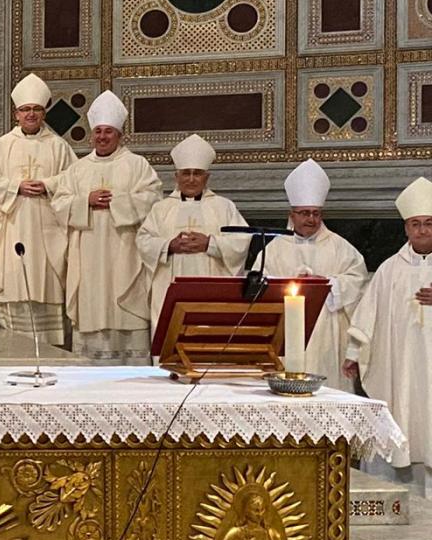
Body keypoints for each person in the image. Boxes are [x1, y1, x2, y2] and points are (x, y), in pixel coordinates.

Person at [51, 90, 163, 363]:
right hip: (88, 253)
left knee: (125, 305)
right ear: (92, 135)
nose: (102, 137)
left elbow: (153, 199)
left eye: (108, 132)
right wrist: (85, 201)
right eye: (98, 131)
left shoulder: (137, 165)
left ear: (119, 135)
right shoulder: (77, 169)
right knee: (92, 304)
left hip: (125, 252)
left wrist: (117, 202)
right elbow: (58, 203)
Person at [344, 176, 432, 492]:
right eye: (415, 224)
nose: (422, 230)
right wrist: (353, 355)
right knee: (402, 411)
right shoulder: (389, 269)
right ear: (406, 228)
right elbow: (368, 316)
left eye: (429, 223)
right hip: (401, 366)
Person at [0, 73, 75, 345]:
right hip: (14, 225)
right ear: (16, 114)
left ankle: (51, 348)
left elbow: (72, 180)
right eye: (25, 110)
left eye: (35, 109)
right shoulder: (1, 146)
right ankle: (13, 344)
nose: (30, 114)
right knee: (15, 283)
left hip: (47, 227)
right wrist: (15, 187)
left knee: (46, 282)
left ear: (44, 113)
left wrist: (46, 184)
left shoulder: (59, 147)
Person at [263, 159, 367, 393]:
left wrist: (328, 284)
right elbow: (260, 286)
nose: (311, 219)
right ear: (292, 215)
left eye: (316, 213)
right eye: (304, 213)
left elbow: (358, 282)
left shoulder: (341, 247)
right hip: (285, 334)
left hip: (329, 334)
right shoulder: (274, 248)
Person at [137, 134, 249, 328]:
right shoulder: (161, 209)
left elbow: (241, 240)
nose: (191, 179)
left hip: (212, 292)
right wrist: (170, 245)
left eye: (197, 173)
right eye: (185, 173)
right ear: (176, 176)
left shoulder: (224, 207)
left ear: (206, 177)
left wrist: (210, 243)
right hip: (169, 290)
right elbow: (143, 240)